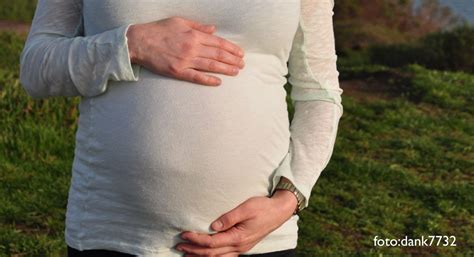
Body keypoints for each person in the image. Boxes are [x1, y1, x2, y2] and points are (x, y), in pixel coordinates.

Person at [19, 0, 343, 256]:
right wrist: (131, 44)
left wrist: (288, 199)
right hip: (112, 232)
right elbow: (36, 67)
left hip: (255, 241)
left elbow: (320, 94)